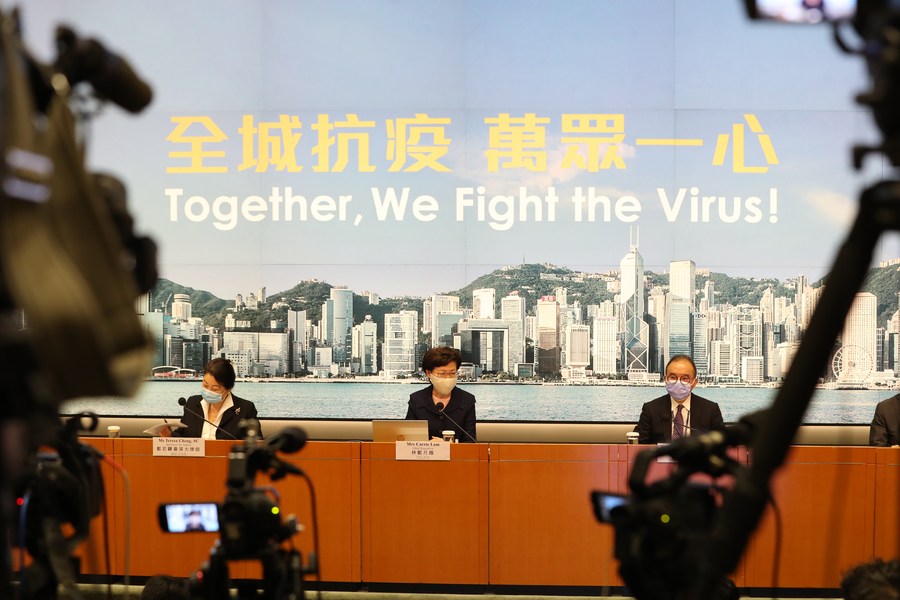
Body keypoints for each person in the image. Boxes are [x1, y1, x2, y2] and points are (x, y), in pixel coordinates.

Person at [633, 354, 725, 444]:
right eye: (673, 377)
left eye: (685, 378)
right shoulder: (651, 409)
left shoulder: (710, 410)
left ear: (694, 383)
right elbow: (638, 444)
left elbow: (723, 444)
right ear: (665, 379)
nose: (678, 382)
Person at [163, 357, 261, 440]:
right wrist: (168, 436)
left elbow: (256, 445)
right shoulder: (192, 404)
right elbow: (181, 436)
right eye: (205, 385)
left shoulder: (245, 409)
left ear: (229, 388)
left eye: (215, 388)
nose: (208, 391)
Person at [406, 346, 476, 442]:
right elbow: (408, 440)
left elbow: (470, 442)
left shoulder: (467, 400)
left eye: (452, 373)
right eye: (442, 373)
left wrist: (450, 447)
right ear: (428, 373)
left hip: (456, 452)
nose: (447, 378)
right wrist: (431, 446)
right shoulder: (417, 399)